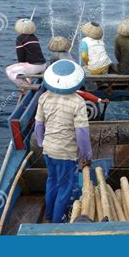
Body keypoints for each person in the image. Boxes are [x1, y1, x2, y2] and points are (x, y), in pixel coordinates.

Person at [34, 59, 93, 223]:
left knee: (52, 181)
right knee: (65, 187)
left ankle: (49, 214)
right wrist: (87, 155)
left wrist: (41, 143)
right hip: (66, 152)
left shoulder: (44, 97)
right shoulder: (78, 102)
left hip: (48, 149)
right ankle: (57, 222)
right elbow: (82, 133)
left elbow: (38, 124)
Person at [6, 18, 47, 86]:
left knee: (9, 71)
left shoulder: (20, 39)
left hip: (34, 67)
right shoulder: (34, 37)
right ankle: (29, 80)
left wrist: (23, 71)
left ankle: (25, 85)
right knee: (25, 66)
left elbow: (21, 58)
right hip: (43, 65)